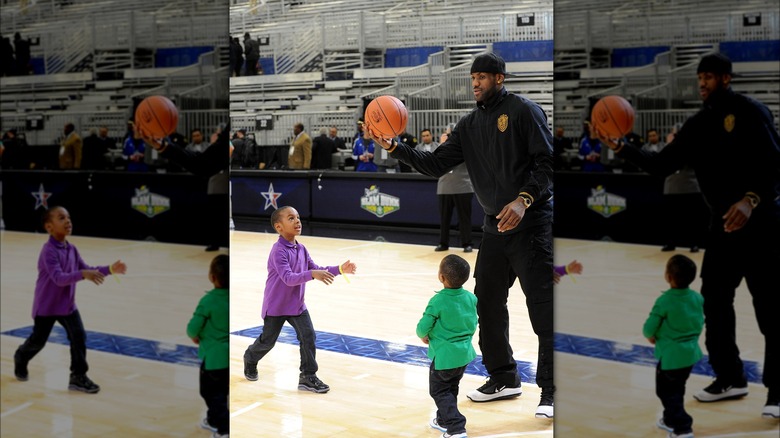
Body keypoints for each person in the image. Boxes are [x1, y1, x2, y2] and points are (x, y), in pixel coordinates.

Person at [364, 52, 555, 418]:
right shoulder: (468, 125)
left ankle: (551, 390)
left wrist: (523, 200)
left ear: (500, 78)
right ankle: (504, 378)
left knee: (543, 310)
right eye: (473, 77)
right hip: (494, 227)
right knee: (487, 305)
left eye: (483, 76)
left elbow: (547, 163)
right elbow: (435, 164)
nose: (476, 83)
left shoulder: (524, 111)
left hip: (531, 225)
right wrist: (392, 146)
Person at [598, 53, 780, 419]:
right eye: (700, 77)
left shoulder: (751, 111)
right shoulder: (698, 123)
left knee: (772, 310)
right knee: (713, 304)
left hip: (760, 223)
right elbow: (661, 164)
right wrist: (622, 146)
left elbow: (775, 164)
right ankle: (731, 377)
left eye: (709, 76)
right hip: (723, 227)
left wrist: (750, 199)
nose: (702, 83)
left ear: (726, 78)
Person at [242, 206, 357, 393]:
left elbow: (316, 268)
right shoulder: (278, 251)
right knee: (267, 342)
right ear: (279, 227)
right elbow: (288, 278)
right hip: (276, 306)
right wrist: (312, 274)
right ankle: (251, 357)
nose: (297, 221)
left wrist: (340, 269)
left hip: (297, 305)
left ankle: (308, 376)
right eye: (291, 218)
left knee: (308, 336)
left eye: (298, 217)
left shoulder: (301, 248)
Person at [13, 206, 127, 393]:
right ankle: (21, 356)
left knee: (79, 337)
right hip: (47, 307)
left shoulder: (72, 249)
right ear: (49, 227)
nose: (68, 221)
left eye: (68, 217)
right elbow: (59, 278)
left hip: (67, 306)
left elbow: (87, 268)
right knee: (38, 341)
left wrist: (110, 269)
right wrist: (83, 274)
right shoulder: (48, 251)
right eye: (61, 218)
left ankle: (78, 376)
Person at [643, 254, 703, 438]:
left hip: (670, 357)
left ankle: (682, 427)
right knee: (677, 389)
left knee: (665, 392)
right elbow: (699, 322)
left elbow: (649, 328)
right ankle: (669, 420)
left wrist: (652, 336)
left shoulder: (665, 301)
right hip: (690, 355)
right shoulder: (697, 298)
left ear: (668, 277)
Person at [417, 254, 477, 438]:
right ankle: (442, 420)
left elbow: (422, 327)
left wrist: (424, 336)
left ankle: (456, 426)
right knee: (451, 387)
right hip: (464, 355)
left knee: (438, 390)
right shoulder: (470, 298)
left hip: (444, 357)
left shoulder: (438, 301)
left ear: (441, 277)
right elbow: (473, 323)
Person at [187, 254, 229, 438]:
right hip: (230, 359)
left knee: (211, 395)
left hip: (213, 360)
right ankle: (213, 420)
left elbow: (192, 329)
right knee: (223, 394)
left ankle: (224, 430)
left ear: (212, 277)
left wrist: (196, 336)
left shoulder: (208, 301)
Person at [658, 124, 705, 253]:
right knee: (671, 219)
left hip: (689, 186)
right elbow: (660, 161)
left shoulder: (693, 145)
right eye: (674, 133)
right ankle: (670, 243)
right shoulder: (666, 146)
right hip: (671, 186)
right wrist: (669, 145)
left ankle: (694, 243)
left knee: (691, 218)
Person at [434, 124, 474, 253]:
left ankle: (467, 243)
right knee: (444, 218)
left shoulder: (466, 144)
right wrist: (442, 144)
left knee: (464, 218)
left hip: (463, 185)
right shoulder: (441, 145)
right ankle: (443, 243)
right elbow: (434, 161)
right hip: (444, 186)